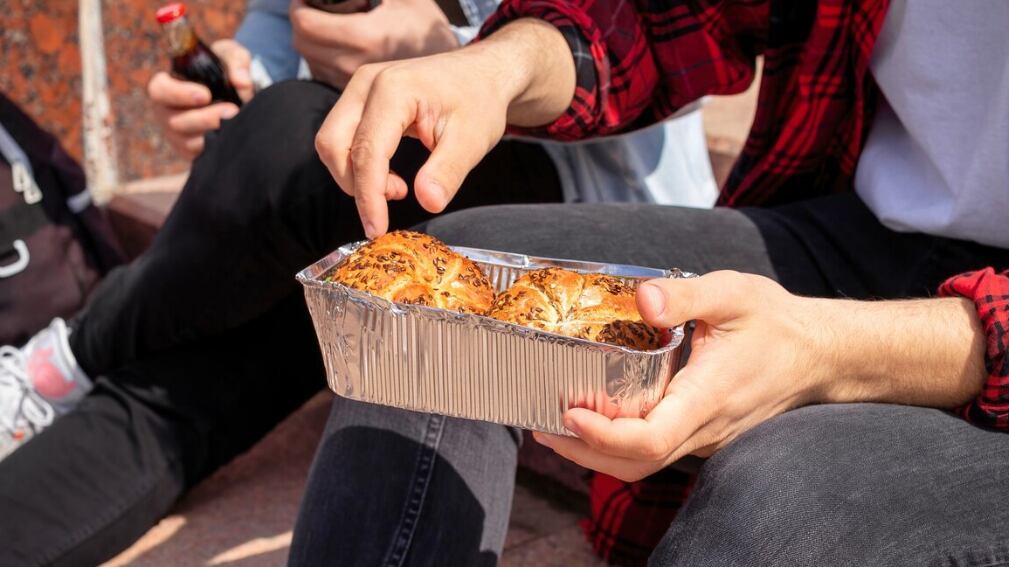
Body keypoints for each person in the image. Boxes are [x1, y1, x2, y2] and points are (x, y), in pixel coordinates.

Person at [291, 0, 1009, 565]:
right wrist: (498, 65)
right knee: (416, 313)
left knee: (784, 493)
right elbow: (673, 18)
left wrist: (826, 347)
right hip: (862, 230)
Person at [0, 0, 717, 565]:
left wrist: (459, 44)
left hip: (570, 184)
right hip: (358, 185)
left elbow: (666, 46)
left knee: (283, 138)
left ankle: (71, 353)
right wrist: (237, 80)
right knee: (175, 385)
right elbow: (281, 33)